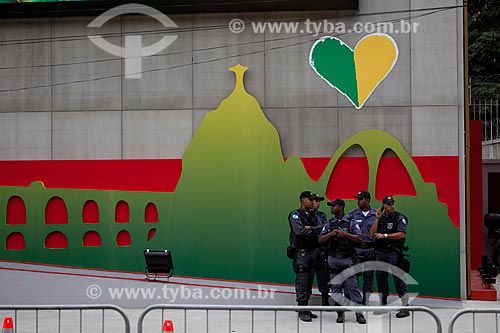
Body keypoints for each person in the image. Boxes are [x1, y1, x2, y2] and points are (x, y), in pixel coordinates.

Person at [319, 198, 366, 324]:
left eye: (333, 206)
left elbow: (359, 238)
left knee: (353, 287)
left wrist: (345, 235)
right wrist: (331, 234)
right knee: (336, 289)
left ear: (340, 207)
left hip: (347, 259)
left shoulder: (351, 222)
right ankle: (340, 314)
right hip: (333, 259)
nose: (331, 208)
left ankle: (359, 314)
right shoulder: (329, 224)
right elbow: (320, 240)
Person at [369, 195, 410, 318]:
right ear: (384, 206)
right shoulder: (380, 218)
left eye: (393, 203)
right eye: (389, 204)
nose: (392, 206)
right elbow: (372, 233)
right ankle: (383, 305)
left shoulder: (400, 217)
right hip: (380, 253)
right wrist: (376, 219)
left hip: (394, 253)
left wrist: (385, 236)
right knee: (381, 279)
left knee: (399, 280)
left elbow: (401, 234)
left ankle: (405, 307)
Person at [288, 190, 323, 322]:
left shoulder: (314, 215)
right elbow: (300, 231)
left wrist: (310, 228)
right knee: (302, 280)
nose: (313, 202)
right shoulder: (295, 215)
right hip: (301, 253)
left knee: (309, 280)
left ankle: (306, 307)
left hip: (313, 252)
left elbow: (321, 228)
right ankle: (302, 308)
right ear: (303, 200)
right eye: (310, 199)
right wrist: (310, 229)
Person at [348, 190, 376, 305]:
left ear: (367, 200)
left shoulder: (376, 214)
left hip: (371, 249)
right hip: (357, 249)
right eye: (357, 199)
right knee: (353, 276)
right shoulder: (352, 214)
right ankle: (355, 299)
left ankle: (366, 300)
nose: (358, 201)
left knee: (368, 276)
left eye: (360, 199)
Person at [311, 194, 331, 308]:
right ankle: (304, 305)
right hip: (308, 250)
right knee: (306, 279)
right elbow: (302, 230)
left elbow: (325, 229)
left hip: (321, 251)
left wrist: (312, 228)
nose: (318, 203)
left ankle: (325, 299)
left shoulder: (322, 215)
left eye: (319, 201)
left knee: (323, 277)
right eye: (316, 201)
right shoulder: (303, 215)